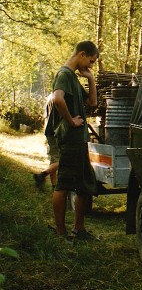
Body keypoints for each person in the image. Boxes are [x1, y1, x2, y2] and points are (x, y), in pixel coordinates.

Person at [50, 41, 99, 242]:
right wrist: (71, 121)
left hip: (79, 141)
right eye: (91, 61)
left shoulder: (73, 77)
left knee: (85, 184)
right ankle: (61, 232)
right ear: (81, 54)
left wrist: (91, 79)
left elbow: (92, 103)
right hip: (70, 139)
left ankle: (79, 229)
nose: (90, 65)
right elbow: (57, 99)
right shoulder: (64, 74)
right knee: (63, 185)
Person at [33, 94, 59, 190]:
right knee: (64, 159)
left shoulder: (50, 96)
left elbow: (46, 116)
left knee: (54, 159)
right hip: (56, 131)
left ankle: (54, 187)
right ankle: (42, 175)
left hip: (49, 130)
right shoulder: (59, 96)